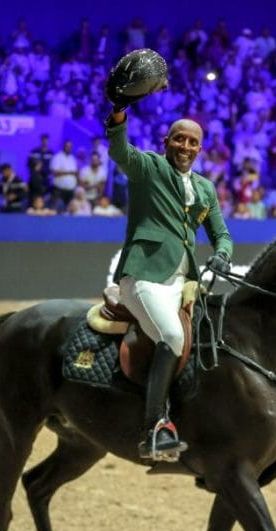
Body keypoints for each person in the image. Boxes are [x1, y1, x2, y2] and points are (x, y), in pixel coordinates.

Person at [106, 105, 233, 461]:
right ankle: (154, 429)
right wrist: (118, 116)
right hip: (145, 275)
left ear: (199, 149)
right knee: (172, 336)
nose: (186, 146)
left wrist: (222, 253)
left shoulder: (206, 188)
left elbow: (221, 234)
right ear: (167, 142)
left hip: (184, 281)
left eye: (193, 142)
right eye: (180, 139)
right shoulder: (149, 167)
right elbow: (120, 151)